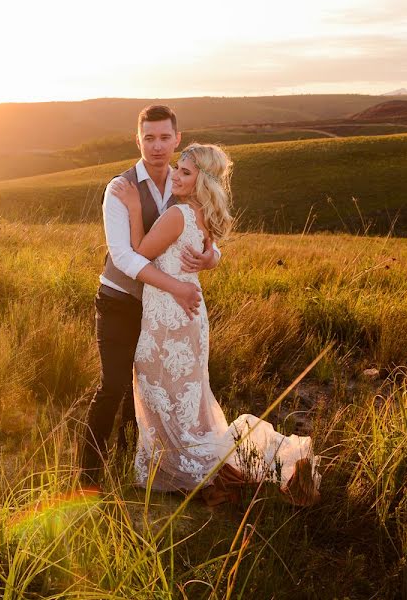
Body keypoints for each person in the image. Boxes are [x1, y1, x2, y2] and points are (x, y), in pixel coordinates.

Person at [110, 142, 320, 506]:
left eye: (186, 172)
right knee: (186, 400)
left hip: (168, 320)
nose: (176, 175)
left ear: (202, 182)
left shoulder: (177, 215)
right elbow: (209, 251)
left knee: (162, 394)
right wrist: (211, 259)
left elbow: (139, 251)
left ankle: (202, 471)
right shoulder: (203, 215)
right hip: (189, 315)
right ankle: (241, 465)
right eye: (178, 168)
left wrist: (131, 207)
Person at [79, 105, 217, 491]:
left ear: (177, 139)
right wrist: (176, 286)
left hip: (162, 310)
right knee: (115, 385)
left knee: (153, 388)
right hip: (121, 301)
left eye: (164, 137)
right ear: (138, 140)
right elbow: (124, 255)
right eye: (149, 138)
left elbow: (206, 234)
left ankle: (136, 465)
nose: (157, 146)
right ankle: (87, 478)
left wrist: (211, 257)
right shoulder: (120, 189)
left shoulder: (185, 181)